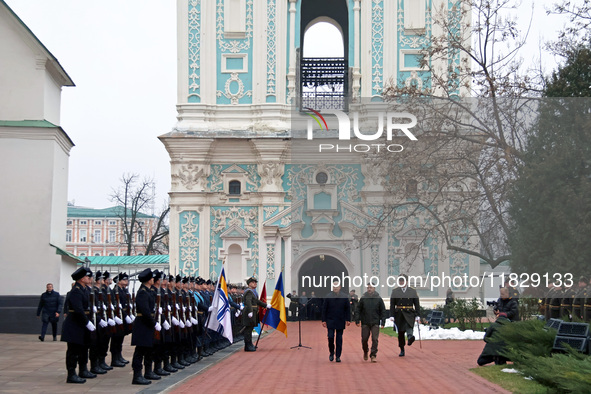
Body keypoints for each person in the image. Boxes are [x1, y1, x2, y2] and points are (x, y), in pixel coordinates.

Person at [61, 266, 96, 384]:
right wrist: (87, 322)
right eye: (87, 276)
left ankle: (83, 370)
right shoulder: (76, 290)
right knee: (73, 351)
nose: (90, 278)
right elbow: (78, 309)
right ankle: (71, 374)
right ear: (81, 278)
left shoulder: (85, 289)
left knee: (83, 348)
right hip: (75, 324)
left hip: (82, 324)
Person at [131, 268, 161, 385]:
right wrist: (154, 323)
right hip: (143, 324)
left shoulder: (148, 291)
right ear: (148, 280)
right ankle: (137, 376)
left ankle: (148, 372)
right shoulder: (142, 293)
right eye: (152, 278)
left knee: (149, 350)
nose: (153, 279)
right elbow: (145, 311)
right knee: (140, 350)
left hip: (147, 324)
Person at [389, 274, 420, 357]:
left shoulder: (412, 291)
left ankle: (410, 337)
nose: (401, 282)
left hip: (409, 312)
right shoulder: (395, 291)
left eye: (403, 280)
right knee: (401, 332)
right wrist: (391, 315)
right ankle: (402, 349)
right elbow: (392, 304)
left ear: (406, 281)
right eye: (400, 281)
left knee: (409, 325)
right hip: (399, 313)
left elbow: (416, 303)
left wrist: (417, 314)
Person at [355, 284, 386, 362]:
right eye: (368, 288)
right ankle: (365, 351)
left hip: (375, 322)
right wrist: (357, 320)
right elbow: (358, 310)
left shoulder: (378, 299)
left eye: (371, 288)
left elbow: (383, 310)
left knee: (375, 339)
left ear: (374, 288)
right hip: (365, 322)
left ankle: (373, 355)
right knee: (364, 339)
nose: (369, 289)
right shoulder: (363, 298)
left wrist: (383, 322)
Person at [321, 280, 351, 362]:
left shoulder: (344, 297)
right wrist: (323, 320)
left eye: (337, 286)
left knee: (339, 339)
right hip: (330, 320)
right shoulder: (328, 296)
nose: (335, 288)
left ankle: (338, 356)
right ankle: (331, 352)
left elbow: (348, 309)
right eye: (334, 286)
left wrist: (348, 319)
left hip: (340, 320)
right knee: (330, 337)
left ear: (340, 287)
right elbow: (324, 309)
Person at [241, 277, 271, 351]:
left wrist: (265, 305)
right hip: (249, 312)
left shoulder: (253, 291)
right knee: (248, 329)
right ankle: (247, 345)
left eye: (256, 282)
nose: (255, 283)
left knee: (250, 329)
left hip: (253, 312)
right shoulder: (248, 292)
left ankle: (250, 344)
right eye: (253, 282)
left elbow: (257, 301)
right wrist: (250, 311)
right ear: (249, 283)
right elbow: (248, 302)